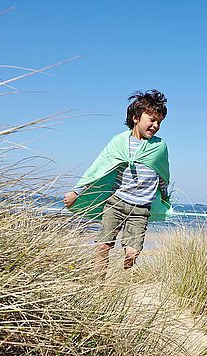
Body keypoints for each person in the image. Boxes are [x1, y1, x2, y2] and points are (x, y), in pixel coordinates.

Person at [63, 90, 171, 272]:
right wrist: (77, 191)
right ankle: (98, 285)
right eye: (152, 120)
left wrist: (165, 197)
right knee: (103, 246)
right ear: (136, 117)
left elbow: (162, 175)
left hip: (141, 209)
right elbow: (98, 168)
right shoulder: (119, 142)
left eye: (159, 122)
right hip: (116, 203)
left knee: (132, 252)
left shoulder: (159, 146)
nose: (155, 125)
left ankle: (128, 262)